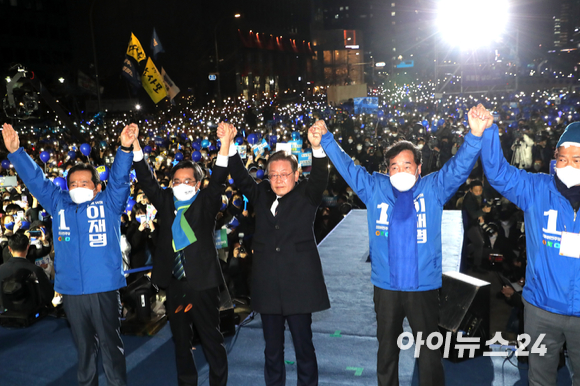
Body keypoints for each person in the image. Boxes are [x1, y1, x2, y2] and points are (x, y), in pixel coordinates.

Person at [316, 108, 489, 386]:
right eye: (394, 166)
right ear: (387, 170)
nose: (400, 171)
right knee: (387, 350)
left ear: (419, 168)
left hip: (423, 287)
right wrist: (326, 139)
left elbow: (459, 167)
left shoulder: (433, 188)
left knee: (429, 352)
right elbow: (347, 166)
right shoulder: (375, 188)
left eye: (407, 165)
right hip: (386, 287)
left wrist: (475, 134)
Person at [3, 122, 136, 386]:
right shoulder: (59, 204)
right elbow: (36, 181)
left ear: (97, 187)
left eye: (84, 183)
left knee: (111, 346)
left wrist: (123, 148)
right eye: (72, 183)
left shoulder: (109, 204)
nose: (77, 187)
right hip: (72, 292)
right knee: (84, 350)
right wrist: (17, 153)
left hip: (104, 289)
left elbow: (120, 180)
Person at [218, 122, 329, 386]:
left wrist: (316, 147)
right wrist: (230, 143)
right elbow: (240, 175)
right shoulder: (260, 194)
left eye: (284, 174)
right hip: (268, 286)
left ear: (296, 174)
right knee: (271, 350)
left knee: (304, 347)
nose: (278, 180)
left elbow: (321, 176)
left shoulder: (308, 195)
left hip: (300, 284)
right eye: (273, 175)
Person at [475, 106, 580, 386]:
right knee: (540, 380)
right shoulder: (536, 189)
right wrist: (488, 130)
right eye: (562, 159)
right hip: (541, 310)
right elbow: (498, 173)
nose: (567, 166)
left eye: (577, 159)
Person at [131, 125, 231, 386]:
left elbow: (219, 176)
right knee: (181, 343)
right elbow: (146, 181)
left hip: (203, 285)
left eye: (188, 181)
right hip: (175, 286)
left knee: (211, 340)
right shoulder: (165, 201)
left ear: (198, 184)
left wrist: (225, 144)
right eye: (177, 181)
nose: (181, 185)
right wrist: (137, 148)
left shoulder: (205, 203)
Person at [0, 232, 53, 313]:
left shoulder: (1, 269)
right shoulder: (35, 270)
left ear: (9, 248)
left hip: (5, 315)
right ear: (28, 247)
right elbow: (48, 295)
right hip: (32, 315)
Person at [462, 180, 492, 273]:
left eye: (480, 190)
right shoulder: (468, 199)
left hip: (474, 223)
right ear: (471, 190)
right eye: (476, 191)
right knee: (479, 243)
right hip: (469, 224)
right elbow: (473, 214)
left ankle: (466, 256)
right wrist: (483, 211)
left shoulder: (477, 196)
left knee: (478, 243)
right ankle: (476, 266)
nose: (478, 192)